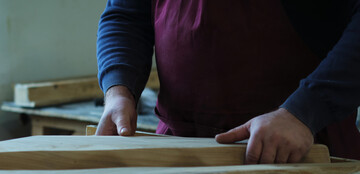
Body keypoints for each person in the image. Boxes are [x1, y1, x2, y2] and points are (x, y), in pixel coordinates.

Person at [96, 0, 360, 163]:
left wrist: (305, 112)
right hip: (176, 150)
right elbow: (125, 16)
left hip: (301, 150)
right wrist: (118, 91)